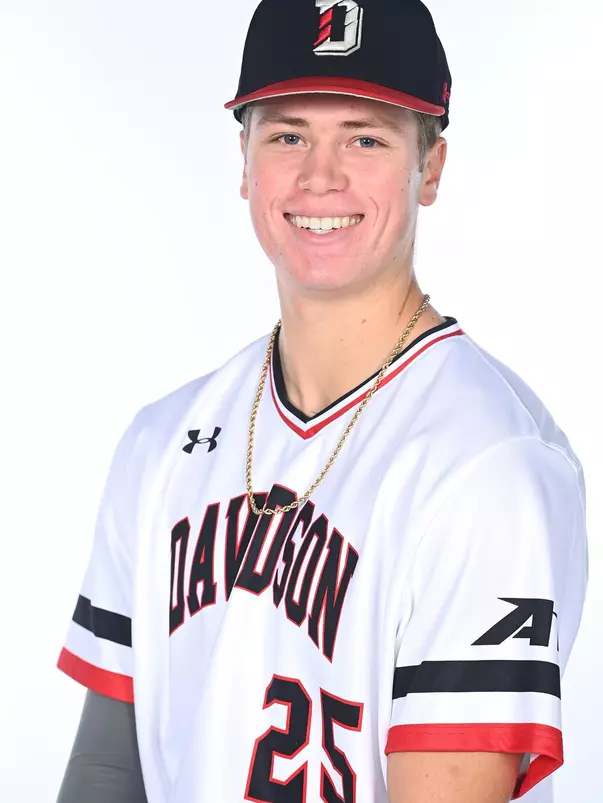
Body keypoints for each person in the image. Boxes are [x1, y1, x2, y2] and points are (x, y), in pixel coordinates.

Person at [56, 1, 588, 802]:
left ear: (430, 166)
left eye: (365, 137)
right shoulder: (161, 443)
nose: (318, 176)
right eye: (288, 134)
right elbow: (106, 766)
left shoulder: (489, 466)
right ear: (244, 161)